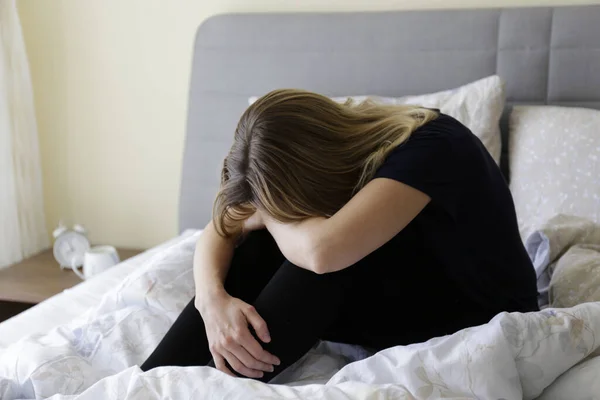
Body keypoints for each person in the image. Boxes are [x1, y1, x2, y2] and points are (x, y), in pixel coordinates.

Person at [140, 89, 538, 382]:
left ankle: (215, 386)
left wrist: (270, 213)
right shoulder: (334, 149)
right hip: (401, 287)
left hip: (471, 308)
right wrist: (213, 302)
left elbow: (321, 253)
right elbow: (222, 227)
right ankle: (149, 382)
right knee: (256, 246)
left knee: (316, 255)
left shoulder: (432, 146)